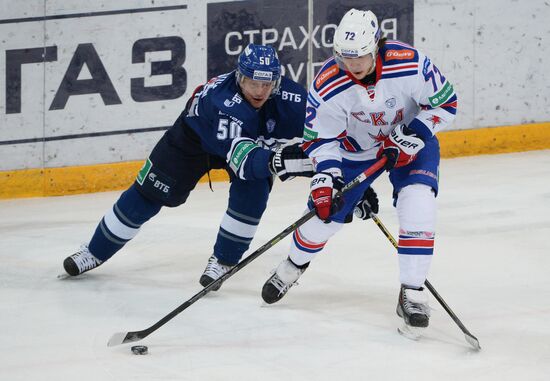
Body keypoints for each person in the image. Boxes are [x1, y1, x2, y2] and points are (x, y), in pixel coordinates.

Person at [261, 9, 458, 335]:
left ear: (376, 47)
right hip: (354, 153)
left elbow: (445, 103)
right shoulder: (327, 84)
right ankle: (292, 265)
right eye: (343, 58)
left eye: (360, 58)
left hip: (410, 142)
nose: (351, 66)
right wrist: (324, 180)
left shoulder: (409, 63)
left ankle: (412, 292)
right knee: (323, 218)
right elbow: (321, 141)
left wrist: (414, 135)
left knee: (419, 204)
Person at [62, 43, 315, 290]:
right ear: (239, 78)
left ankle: (224, 260)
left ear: (277, 83)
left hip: (246, 147)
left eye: (267, 84)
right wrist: (279, 161)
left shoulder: (292, 99)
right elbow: (244, 161)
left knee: (253, 193)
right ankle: (94, 251)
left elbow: (328, 130)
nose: (260, 91)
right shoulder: (221, 102)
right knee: (147, 194)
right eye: (253, 83)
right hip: (192, 141)